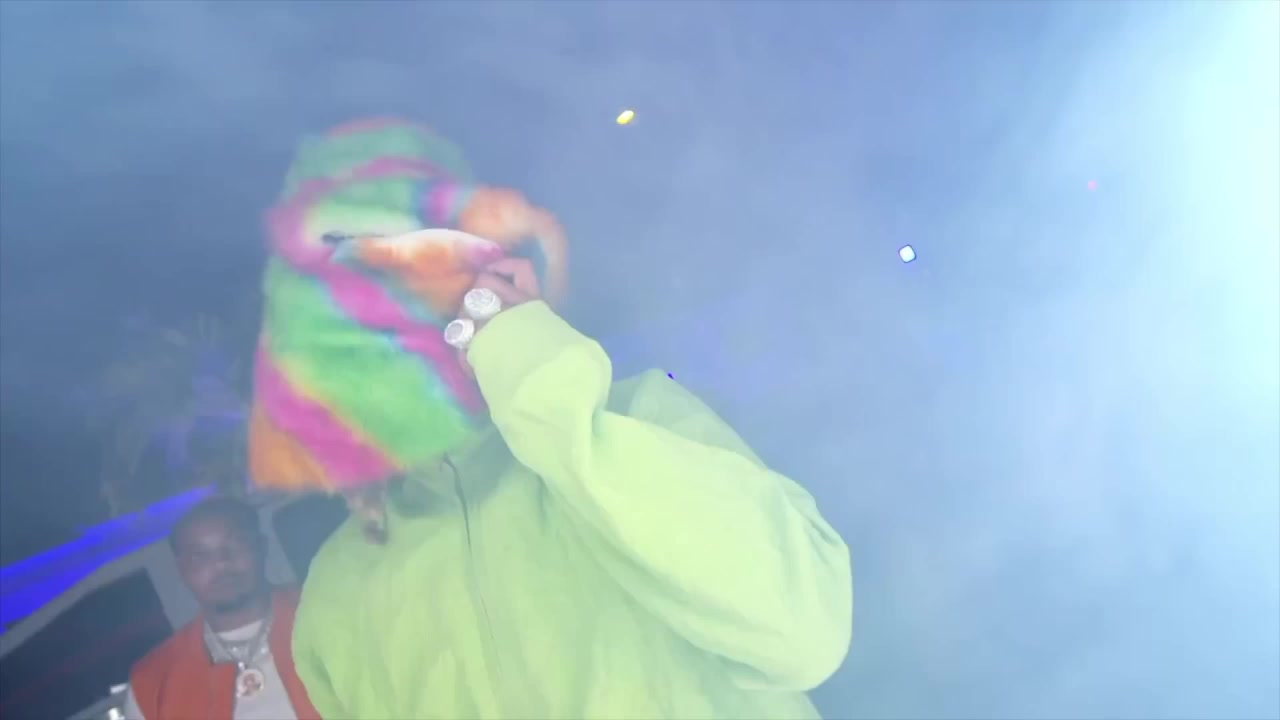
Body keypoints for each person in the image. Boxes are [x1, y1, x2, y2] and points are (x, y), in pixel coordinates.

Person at [248, 118, 853, 719]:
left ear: (486, 278)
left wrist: (527, 362)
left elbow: (803, 634)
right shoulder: (337, 591)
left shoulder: (635, 421)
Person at [123, 497, 320, 720]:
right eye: (200, 556)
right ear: (182, 570)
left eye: (236, 544)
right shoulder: (152, 683)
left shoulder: (325, 612)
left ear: (262, 547)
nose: (222, 563)